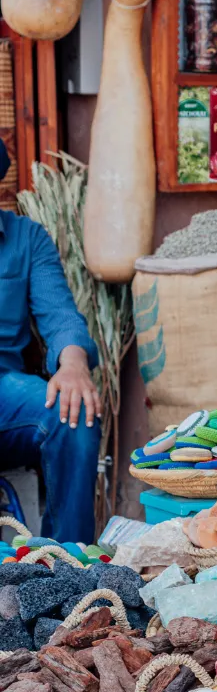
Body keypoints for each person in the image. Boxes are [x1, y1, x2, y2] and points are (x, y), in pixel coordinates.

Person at [0, 139, 100, 543]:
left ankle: (66, 567)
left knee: (72, 412)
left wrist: (73, 364)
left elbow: (61, 316)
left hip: (6, 395)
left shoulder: (27, 239)